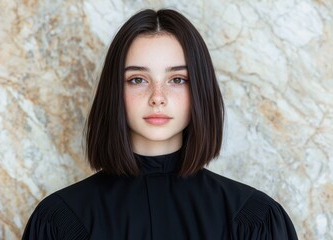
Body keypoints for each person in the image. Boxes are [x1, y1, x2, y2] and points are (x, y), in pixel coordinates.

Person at [22, 9, 298, 239]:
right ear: (114, 92)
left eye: (177, 79)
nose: (157, 98)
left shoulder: (255, 220)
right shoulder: (60, 222)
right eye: (137, 80)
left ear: (200, 91)